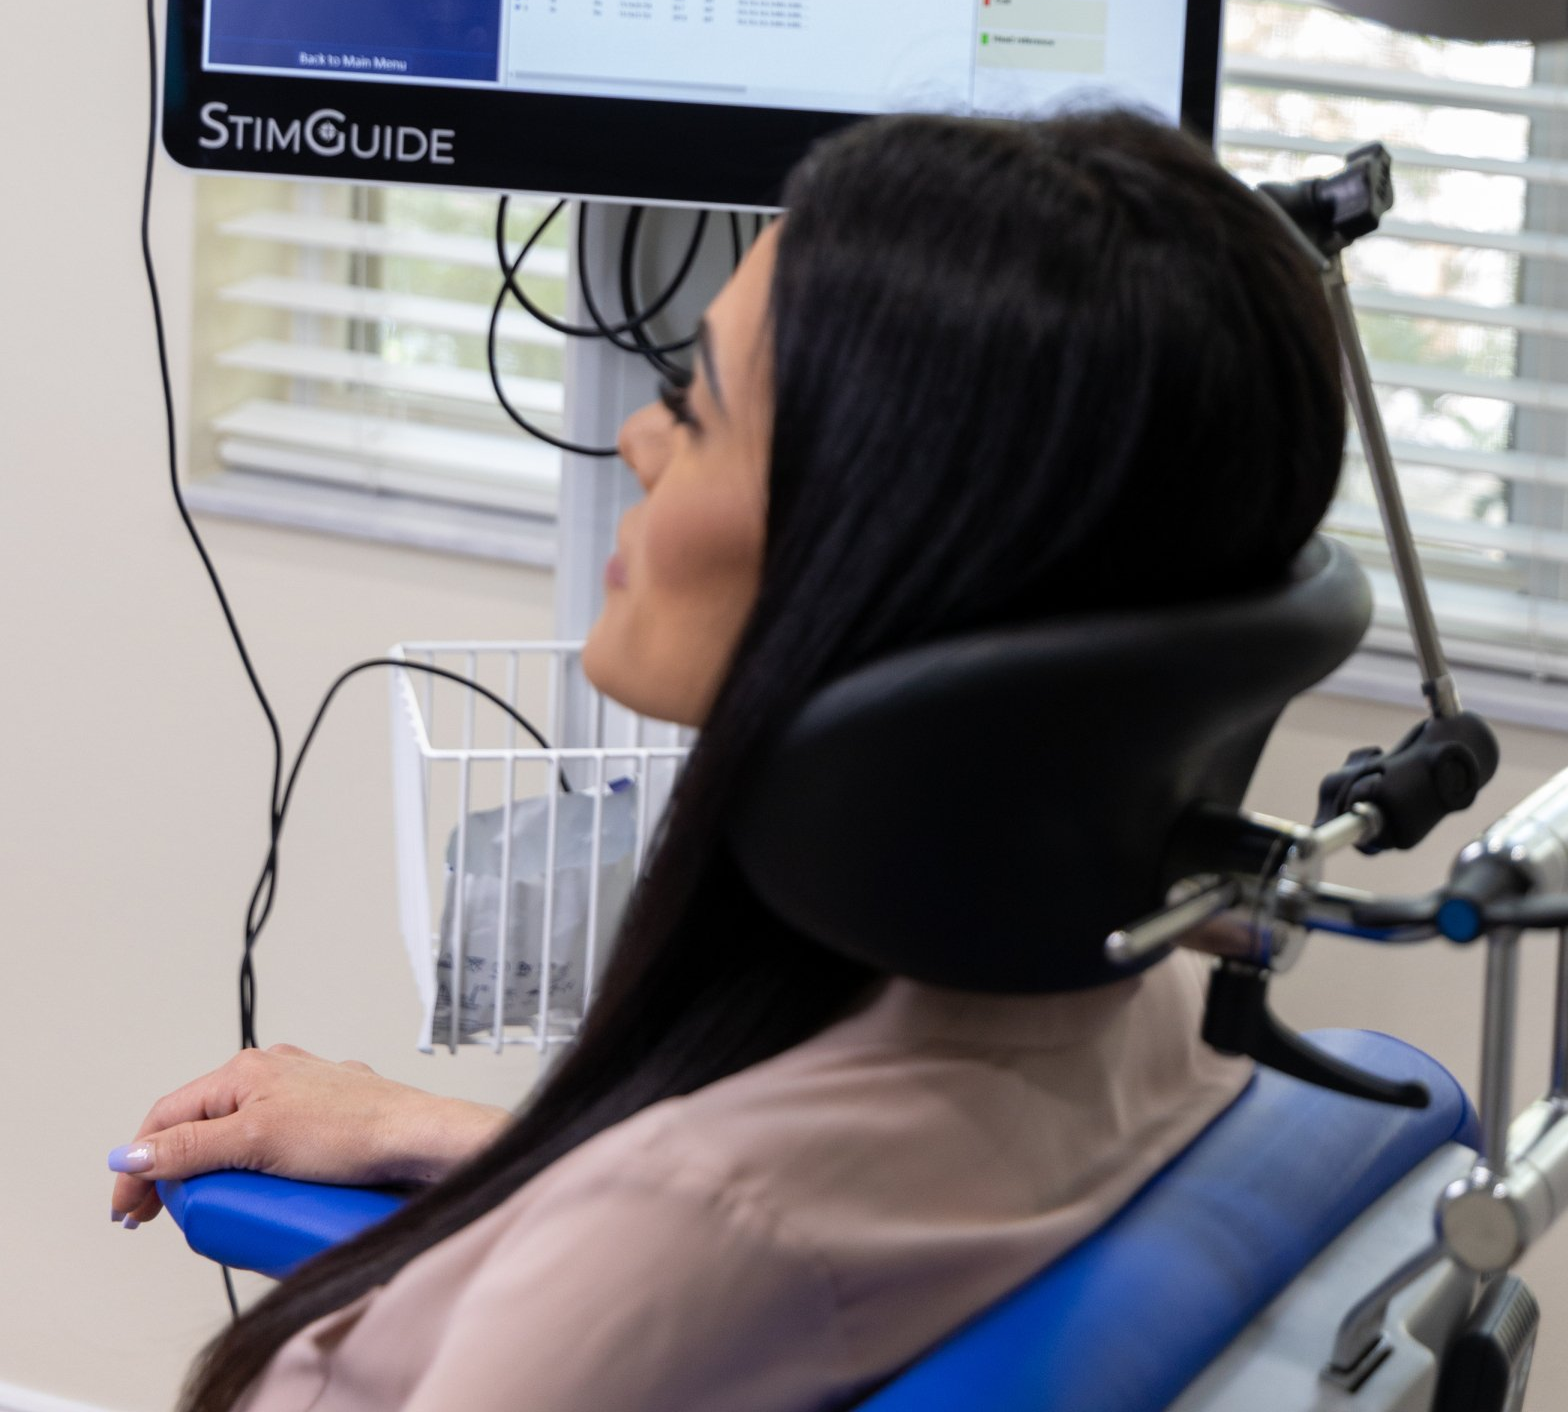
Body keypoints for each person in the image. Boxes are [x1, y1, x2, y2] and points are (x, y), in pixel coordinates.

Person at [109, 108, 1347, 1412]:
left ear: (881, 553)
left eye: (694, 409)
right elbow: (804, 1194)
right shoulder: (1132, 1028)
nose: (638, 444)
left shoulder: (663, 1257)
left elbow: (707, 1234)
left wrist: (620, 1199)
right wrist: (444, 1135)